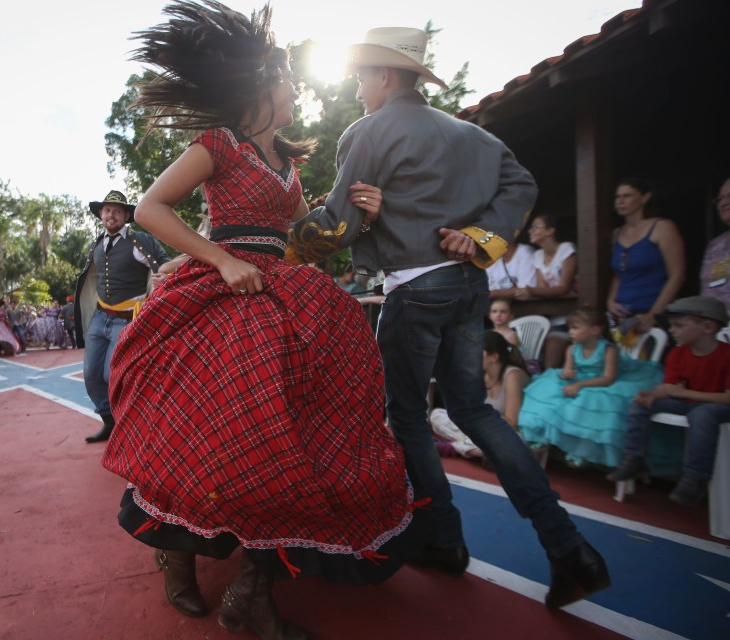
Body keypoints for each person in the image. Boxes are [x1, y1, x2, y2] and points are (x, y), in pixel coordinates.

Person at [101, 3, 422, 636]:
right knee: (205, 433)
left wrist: (362, 211)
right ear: (260, 90)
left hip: (280, 293)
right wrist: (218, 260)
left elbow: (307, 239)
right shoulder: (217, 144)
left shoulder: (290, 167)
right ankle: (178, 557)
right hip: (219, 295)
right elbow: (149, 208)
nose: (296, 91)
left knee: (291, 439)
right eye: (287, 83)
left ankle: (253, 589)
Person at [285, 24, 609, 609]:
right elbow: (521, 183)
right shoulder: (472, 135)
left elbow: (335, 226)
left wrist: (274, 248)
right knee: (475, 413)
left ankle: (445, 539)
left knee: (407, 418)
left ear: (384, 75)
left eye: (362, 77)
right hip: (469, 285)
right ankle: (568, 547)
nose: (358, 89)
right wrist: (482, 236)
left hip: (415, 289)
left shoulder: (370, 130)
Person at [607, 296, 730, 504]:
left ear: (707, 327)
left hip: (717, 406)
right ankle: (634, 458)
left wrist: (684, 394)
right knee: (639, 404)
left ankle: (696, 477)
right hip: (688, 403)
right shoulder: (677, 354)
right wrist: (653, 395)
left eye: (679, 326)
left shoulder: (726, 355)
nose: (672, 330)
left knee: (702, 414)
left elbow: (727, 397)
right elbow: (669, 388)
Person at [73, 189, 169, 444]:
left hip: (128, 318)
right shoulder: (97, 244)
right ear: (101, 215)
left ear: (126, 215)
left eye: (117, 211)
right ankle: (109, 422)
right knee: (91, 374)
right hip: (99, 316)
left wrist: (164, 276)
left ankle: (128, 422)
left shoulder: (141, 240)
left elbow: (163, 262)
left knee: (111, 374)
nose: (111, 215)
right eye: (106, 210)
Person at [519, 309, 663, 468]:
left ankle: (582, 449)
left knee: (590, 400)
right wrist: (567, 374)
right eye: (570, 328)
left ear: (595, 330)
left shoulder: (609, 350)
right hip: (579, 379)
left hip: (603, 382)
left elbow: (609, 378)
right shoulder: (572, 349)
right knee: (548, 388)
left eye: (575, 328)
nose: (570, 332)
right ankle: (542, 437)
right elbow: (568, 369)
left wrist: (579, 385)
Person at [606, 175, 685, 338]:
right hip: (623, 317)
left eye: (627, 196)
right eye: (617, 197)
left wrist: (653, 315)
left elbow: (677, 275)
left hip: (652, 315)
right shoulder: (617, 233)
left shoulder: (662, 227)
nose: (620, 201)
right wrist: (610, 301)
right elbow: (619, 275)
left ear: (645, 197)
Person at [431, 331, 530, 458]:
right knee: (436, 415)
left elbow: (511, 423)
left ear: (494, 357)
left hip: (506, 431)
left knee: (509, 441)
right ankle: (475, 448)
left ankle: (453, 447)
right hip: (482, 429)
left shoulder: (512, 375)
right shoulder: (481, 373)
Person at [516, 213, 578, 369]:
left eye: (536, 227)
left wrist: (531, 290)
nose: (530, 231)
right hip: (552, 315)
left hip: (572, 315)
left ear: (550, 231)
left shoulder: (566, 249)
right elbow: (544, 289)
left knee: (550, 363)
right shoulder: (537, 256)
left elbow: (563, 287)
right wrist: (533, 291)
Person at [700, 177, 730, 315]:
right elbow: (708, 288)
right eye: (719, 199)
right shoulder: (716, 245)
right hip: (717, 325)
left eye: (729, 196)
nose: (723, 203)